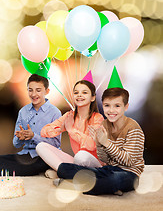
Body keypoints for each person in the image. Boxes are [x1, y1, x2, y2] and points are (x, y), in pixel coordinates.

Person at [56, 66, 145, 195]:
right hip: (108, 169)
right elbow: (105, 160)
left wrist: (106, 143)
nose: (111, 110)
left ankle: (77, 185)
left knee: (113, 180)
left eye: (117, 106)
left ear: (126, 107)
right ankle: (97, 184)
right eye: (107, 106)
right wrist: (99, 143)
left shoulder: (133, 128)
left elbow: (128, 161)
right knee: (63, 168)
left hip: (129, 173)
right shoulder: (104, 124)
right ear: (102, 106)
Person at [0, 74, 62, 176]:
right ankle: (35, 169)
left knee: (23, 168)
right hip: (26, 155)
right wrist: (20, 137)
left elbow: (56, 144)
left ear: (47, 91)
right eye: (30, 90)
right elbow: (16, 144)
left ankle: (48, 167)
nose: (33, 94)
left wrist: (34, 136)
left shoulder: (55, 113)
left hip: (45, 157)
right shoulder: (23, 111)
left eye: (38, 90)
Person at [37, 72, 104, 171]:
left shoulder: (97, 118)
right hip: (77, 161)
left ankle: (69, 172)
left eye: (84, 93)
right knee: (41, 146)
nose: (79, 95)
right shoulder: (69, 116)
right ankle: (63, 171)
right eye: (76, 93)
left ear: (93, 97)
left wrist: (71, 130)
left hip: (95, 163)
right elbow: (43, 131)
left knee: (81, 156)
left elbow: (91, 145)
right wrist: (60, 128)